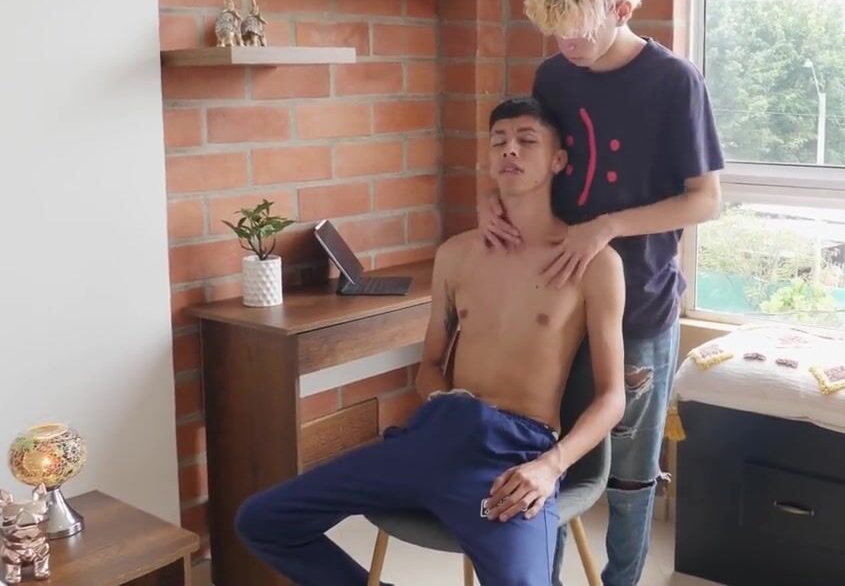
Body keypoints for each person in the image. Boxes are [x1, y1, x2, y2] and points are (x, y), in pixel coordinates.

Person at [234, 97, 627, 586]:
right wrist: (442, 400)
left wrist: (551, 466)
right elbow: (430, 365)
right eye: (499, 141)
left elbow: (612, 398)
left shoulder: (594, 265)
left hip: (512, 453)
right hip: (433, 433)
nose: (510, 150)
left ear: (558, 160)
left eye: (527, 140)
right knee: (262, 520)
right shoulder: (456, 255)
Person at [480, 0, 726, 586]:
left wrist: (607, 227)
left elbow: (705, 200)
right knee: (550, 454)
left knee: (629, 475)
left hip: (639, 300)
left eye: (580, 30)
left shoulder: (673, 81)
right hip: (559, 294)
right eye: (555, 31)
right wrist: (491, 199)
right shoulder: (554, 75)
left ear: (622, 10)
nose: (567, 45)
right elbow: (531, 158)